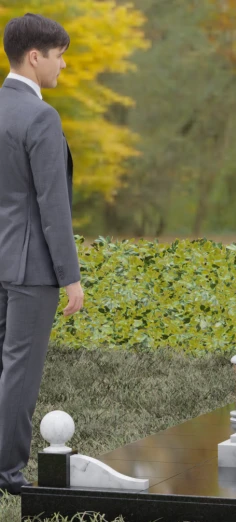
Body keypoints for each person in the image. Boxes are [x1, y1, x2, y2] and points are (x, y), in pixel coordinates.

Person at [0, 13, 84, 495]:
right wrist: (69, 276)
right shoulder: (41, 116)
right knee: (20, 371)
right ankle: (8, 473)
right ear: (35, 57)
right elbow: (54, 204)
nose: (63, 65)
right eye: (59, 56)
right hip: (31, 267)